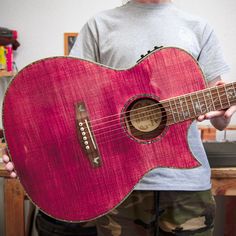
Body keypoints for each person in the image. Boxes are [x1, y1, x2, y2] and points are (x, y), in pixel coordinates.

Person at [3, 0, 236, 235]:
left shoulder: (199, 28)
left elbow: (217, 117)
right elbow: (62, 95)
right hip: (116, 184)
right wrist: (25, 146)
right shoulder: (100, 25)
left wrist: (225, 114)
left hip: (187, 184)